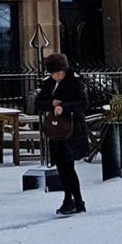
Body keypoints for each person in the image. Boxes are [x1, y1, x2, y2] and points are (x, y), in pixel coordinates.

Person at [38, 51, 89, 216]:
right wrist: (51, 103)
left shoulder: (74, 82)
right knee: (62, 166)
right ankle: (74, 201)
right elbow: (38, 103)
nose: (58, 76)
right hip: (56, 131)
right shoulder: (49, 84)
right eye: (54, 73)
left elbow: (83, 103)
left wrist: (64, 107)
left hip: (71, 130)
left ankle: (72, 200)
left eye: (60, 73)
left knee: (68, 166)